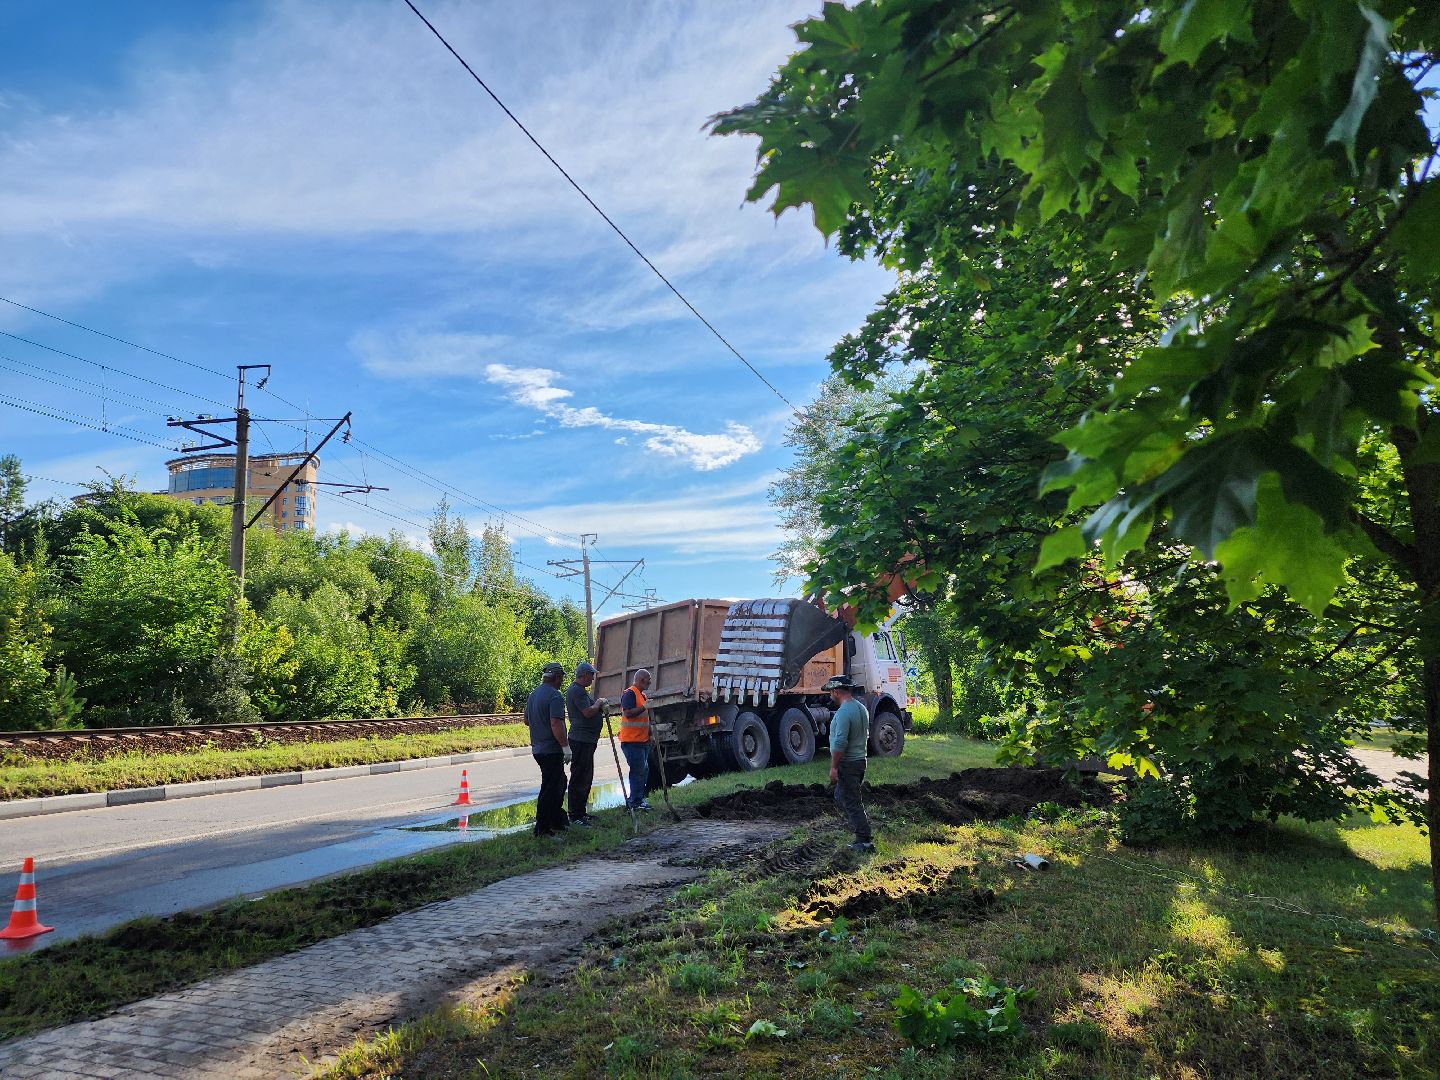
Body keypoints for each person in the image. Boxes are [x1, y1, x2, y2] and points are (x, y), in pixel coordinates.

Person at [825, 674, 874, 852]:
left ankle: (864, 840)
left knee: (852, 802)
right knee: (842, 796)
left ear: (836, 691)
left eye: (831, 691)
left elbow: (840, 743)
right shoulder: (861, 708)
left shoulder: (844, 712)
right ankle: (860, 831)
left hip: (848, 763)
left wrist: (834, 767)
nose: (830, 694)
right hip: (861, 760)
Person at [525, 661, 570, 838]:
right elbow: (556, 723)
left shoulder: (533, 695)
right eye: (561, 678)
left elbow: (527, 720)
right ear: (557, 677)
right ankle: (542, 829)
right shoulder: (555, 696)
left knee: (559, 783)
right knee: (550, 788)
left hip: (538, 748)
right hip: (552, 749)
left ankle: (556, 821)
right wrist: (565, 746)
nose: (562, 682)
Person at [565, 661, 609, 826]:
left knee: (585, 777)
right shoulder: (576, 691)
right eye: (591, 674)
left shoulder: (580, 691)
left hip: (587, 740)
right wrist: (598, 704)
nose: (592, 677)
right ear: (583, 675)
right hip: (581, 740)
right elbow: (587, 712)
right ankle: (575, 815)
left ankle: (581, 812)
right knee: (580, 777)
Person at [617, 668, 653, 812]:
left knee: (643, 770)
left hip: (642, 741)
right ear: (641, 680)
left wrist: (650, 734)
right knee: (638, 771)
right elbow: (628, 713)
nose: (650, 682)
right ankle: (634, 802)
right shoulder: (630, 693)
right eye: (648, 680)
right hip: (632, 741)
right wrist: (644, 707)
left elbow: (645, 719)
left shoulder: (642, 695)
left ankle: (639, 799)